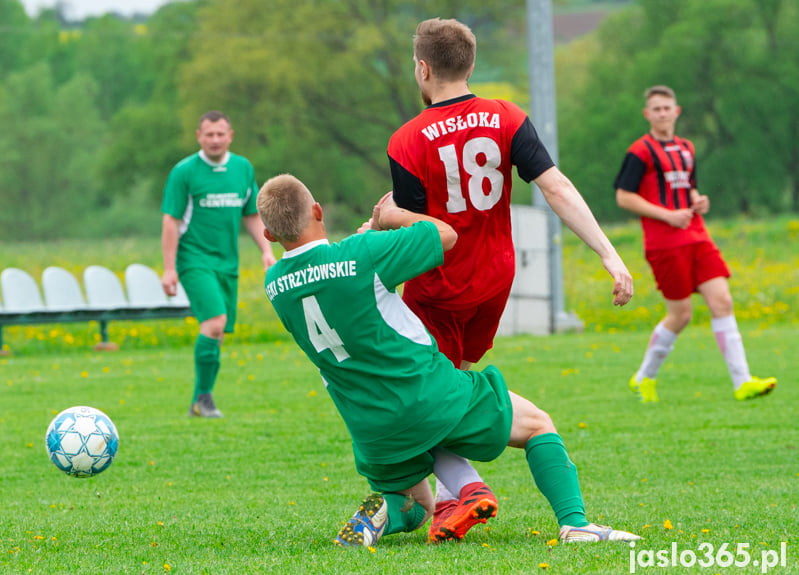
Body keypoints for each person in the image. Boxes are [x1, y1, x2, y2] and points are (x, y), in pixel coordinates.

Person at [256, 173, 639, 547]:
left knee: (417, 506)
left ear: (269, 235)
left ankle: (382, 513)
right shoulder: (360, 255)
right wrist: (392, 218)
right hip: (426, 393)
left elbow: (329, 280)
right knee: (538, 425)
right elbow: (445, 236)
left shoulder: (275, 285)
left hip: (369, 425)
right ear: (318, 211)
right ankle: (576, 525)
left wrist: (368, 242)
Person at [376, 17, 635, 543]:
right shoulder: (507, 118)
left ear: (422, 68)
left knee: (429, 402)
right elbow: (557, 188)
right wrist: (611, 256)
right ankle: (449, 499)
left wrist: (378, 228)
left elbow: (420, 230)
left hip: (438, 289)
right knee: (449, 391)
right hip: (494, 282)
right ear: (470, 65)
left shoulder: (406, 140)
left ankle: (456, 496)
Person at [614, 85, 777, 403]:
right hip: (664, 243)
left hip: (697, 236)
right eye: (656, 109)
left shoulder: (686, 147)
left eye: (667, 108)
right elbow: (623, 196)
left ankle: (743, 382)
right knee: (681, 315)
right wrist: (667, 215)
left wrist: (697, 200)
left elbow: (688, 187)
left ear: (677, 111)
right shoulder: (640, 152)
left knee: (722, 301)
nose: (662, 113)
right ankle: (644, 377)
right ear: (647, 115)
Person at [161, 111, 276, 418]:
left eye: (220, 134)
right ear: (199, 136)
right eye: (208, 134)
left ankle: (201, 401)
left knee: (219, 331)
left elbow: (250, 214)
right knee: (214, 323)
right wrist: (170, 268)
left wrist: (266, 250)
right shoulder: (184, 172)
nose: (214, 140)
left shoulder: (242, 168)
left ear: (230, 136)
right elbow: (171, 221)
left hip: (227, 262)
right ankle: (203, 399)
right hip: (194, 259)